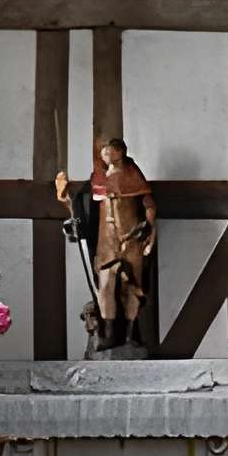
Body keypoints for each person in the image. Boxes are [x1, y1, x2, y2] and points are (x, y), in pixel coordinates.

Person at [56, 134, 157, 355]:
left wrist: (150, 225)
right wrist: (67, 202)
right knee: (106, 285)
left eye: (111, 150)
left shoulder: (133, 175)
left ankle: (130, 334)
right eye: (104, 151)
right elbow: (82, 208)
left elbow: (148, 203)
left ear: (121, 152)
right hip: (106, 240)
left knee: (132, 286)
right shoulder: (97, 179)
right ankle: (108, 333)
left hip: (131, 237)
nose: (106, 154)